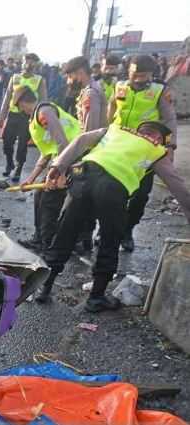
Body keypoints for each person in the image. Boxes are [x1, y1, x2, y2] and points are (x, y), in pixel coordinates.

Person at [37, 121, 190, 311]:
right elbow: (178, 187)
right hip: (113, 189)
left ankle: (44, 287)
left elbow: (81, 140)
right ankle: (96, 298)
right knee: (110, 239)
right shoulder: (156, 150)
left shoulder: (114, 129)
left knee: (66, 231)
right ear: (158, 138)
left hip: (83, 177)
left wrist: (57, 166)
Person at [107, 54, 178, 251]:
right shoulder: (119, 86)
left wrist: (170, 146)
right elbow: (112, 107)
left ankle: (127, 231)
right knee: (113, 191)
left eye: (143, 75)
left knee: (139, 196)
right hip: (118, 147)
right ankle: (110, 230)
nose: (138, 79)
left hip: (145, 150)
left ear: (151, 74)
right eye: (134, 74)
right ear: (128, 70)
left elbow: (170, 120)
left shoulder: (160, 91)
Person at [14, 86, 81, 252]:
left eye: (20, 106)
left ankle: (48, 244)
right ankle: (39, 239)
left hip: (76, 158)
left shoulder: (44, 112)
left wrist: (61, 175)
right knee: (39, 196)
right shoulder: (36, 119)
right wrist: (31, 178)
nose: (21, 111)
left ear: (23, 103)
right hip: (64, 159)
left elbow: (63, 143)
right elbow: (46, 152)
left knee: (50, 201)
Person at [0, 53, 47, 181]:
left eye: (32, 62)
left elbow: (43, 100)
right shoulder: (15, 77)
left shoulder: (39, 80)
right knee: (7, 141)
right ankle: (9, 163)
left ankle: (18, 169)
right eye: (27, 61)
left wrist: (39, 118)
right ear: (22, 62)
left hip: (28, 116)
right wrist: (2, 114)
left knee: (22, 144)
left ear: (36, 64)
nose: (29, 64)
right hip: (13, 114)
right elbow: (8, 95)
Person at [64, 56, 107, 132]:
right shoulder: (88, 89)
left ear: (80, 73)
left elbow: (90, 131)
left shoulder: (90, 94)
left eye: (70, 77)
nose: (68, 81)